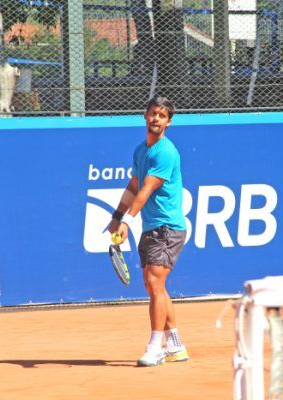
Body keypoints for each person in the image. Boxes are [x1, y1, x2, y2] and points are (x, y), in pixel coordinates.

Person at [108, 96, 188, 367]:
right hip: (153, 228)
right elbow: (133, 185)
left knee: (154, 283)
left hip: (168, 228)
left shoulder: (166, 152)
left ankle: (156, 346)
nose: (156, 119)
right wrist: (117, 215)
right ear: (145, 116)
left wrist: (127, 221)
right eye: (153, 113)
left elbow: (146, 190)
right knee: (155, 286)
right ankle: (175, 344)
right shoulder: (141, 151)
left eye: (162, 116)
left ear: (168, 122)